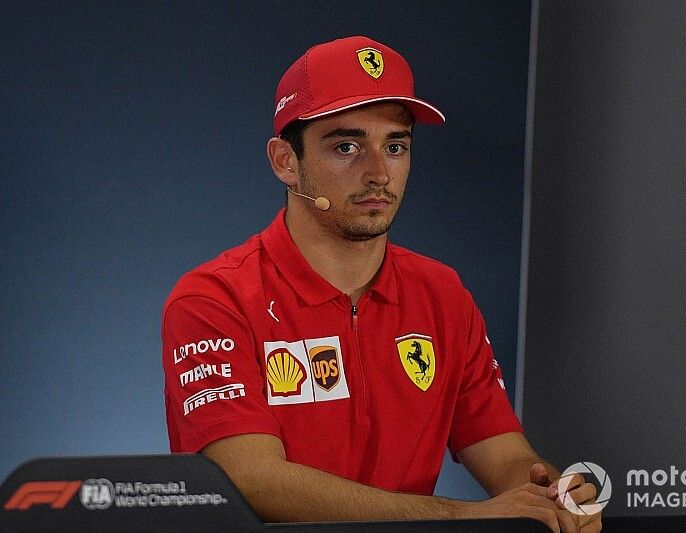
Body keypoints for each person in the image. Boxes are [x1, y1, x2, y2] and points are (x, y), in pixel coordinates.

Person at [162, 35, 601, 532]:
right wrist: (467, 519)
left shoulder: (441, 293)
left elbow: (503, 454)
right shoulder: (212, 298)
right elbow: (253, 479)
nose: (377, 173)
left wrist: (548, 494)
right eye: (346, 146)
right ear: (286, 161)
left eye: (395, 146)